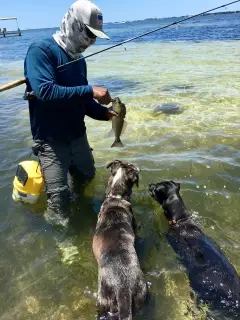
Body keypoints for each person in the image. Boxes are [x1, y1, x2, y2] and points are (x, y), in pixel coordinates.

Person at [24, 0, 117, 225]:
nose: (92, 41)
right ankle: (63, 243)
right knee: (59, 200)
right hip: (50, 141)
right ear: (74, 25)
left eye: (95, 36)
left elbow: (82, 102)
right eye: (89, 33)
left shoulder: (80, 60)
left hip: (78, 137)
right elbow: (45, 91)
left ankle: (84, 218)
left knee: (87, 179)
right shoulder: (41, 51)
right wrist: (91, 90)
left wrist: (105, 114)